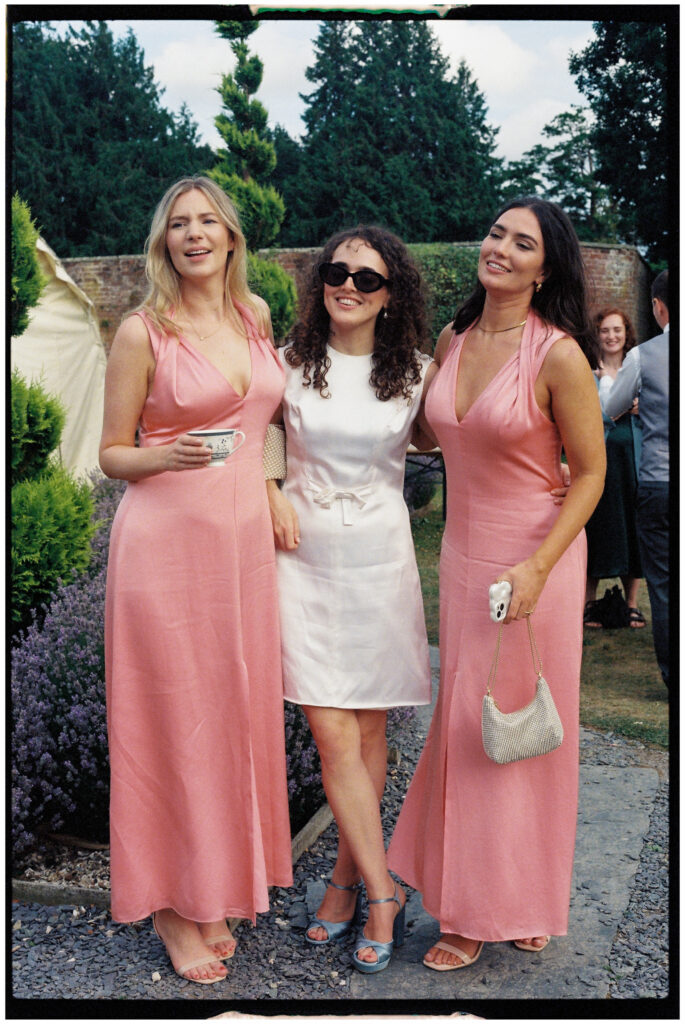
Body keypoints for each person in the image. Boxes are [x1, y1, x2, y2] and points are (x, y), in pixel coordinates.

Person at [387, 197, 606, 970]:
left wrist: (538, 568)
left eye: (522, 243)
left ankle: (515, 900)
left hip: (534, 559)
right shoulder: (453, 338)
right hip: (461, 555)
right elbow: (427, 432)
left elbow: (590, 475)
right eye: (495, 233)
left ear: (544, 269)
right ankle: (477, 899)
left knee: (523, 730)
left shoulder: (558, 355)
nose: (500, 249)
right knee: (466, 729)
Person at [100, 176, 293, 984]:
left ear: (231, 237)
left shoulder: (256, 317)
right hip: (165, 549)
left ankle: (210, 887)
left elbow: (265, 420)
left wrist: (272, 487)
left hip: (239, 554)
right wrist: (164, 455)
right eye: (178, 224)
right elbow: (111, 454)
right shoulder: (142, 332)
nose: (193, 234)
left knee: (228, 716)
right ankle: (173, 908)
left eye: (207, 221)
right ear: (163, 243)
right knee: (169, 723)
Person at [266, 226, 434, 974]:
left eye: (367, 278)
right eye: (337, 272)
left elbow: (468, 436)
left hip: (378, 564)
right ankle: (383, 893)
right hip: (301, 561)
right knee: (331, 733)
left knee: (368, 731)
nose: (349, 286)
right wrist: (268, 488)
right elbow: (256, 433)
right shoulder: (288, 363)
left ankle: (342, 882)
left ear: (391, 295)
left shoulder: (418, 374)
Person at [604, 271, 669, 687]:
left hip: (660, 482)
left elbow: (611, 407)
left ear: (658, 306)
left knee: (663, 584)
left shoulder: (644, 356)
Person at [583, 308, 644, 629]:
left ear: (626, 333)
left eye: (617, 330)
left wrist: (643, 406)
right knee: (596, 528)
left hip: (633, 462)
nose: (611, 336)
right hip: (598, 464)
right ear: (597, 335)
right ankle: (589, 604)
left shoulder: (639, 370)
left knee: (632, 530)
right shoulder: (586, 373)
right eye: (605, 330)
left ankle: (632, 605)